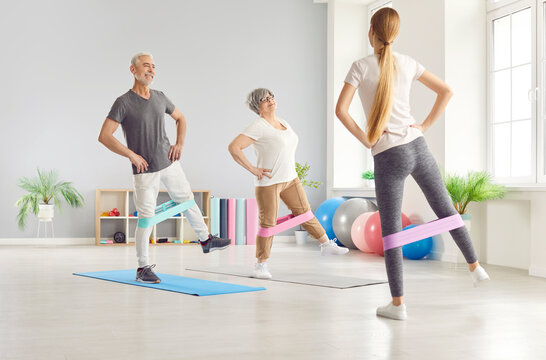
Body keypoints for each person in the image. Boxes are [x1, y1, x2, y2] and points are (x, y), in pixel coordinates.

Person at [335, 8, 489, 320]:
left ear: (372, 32)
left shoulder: (359, 67)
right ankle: (475, 267)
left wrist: (367, 139)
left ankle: (398, 304)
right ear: (395, 32)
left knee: (391, 232)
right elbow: (446, 91)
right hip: (418, 146)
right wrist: (425, 126)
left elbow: (341, 110)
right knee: (446, 210)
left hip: (389, 153)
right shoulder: (407, 63)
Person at [98, 52, 231, 284]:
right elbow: (104, 136)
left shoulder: (160, 97)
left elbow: (181, 118)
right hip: (145, 169)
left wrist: (179, 143)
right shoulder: (123, 102)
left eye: (153, 67)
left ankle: (206, 240)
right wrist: (131, 155)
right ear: (133, 70)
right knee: (147, 219)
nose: (151, 70)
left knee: (188, 199)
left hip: (168, 163)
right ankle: (142, 268)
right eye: (146, 66)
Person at [228, 88, 348, 279]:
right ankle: (261, 265)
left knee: (305, 213)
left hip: (290, 178)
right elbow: (234, 147)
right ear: (257, 107)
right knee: (267, 224)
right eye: (264, 99)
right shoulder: (258, 126)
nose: (270, 100)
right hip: (269, 183)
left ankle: (326, 245)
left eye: (271, 97)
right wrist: (253, 169)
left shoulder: (283, 122)